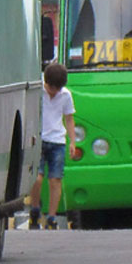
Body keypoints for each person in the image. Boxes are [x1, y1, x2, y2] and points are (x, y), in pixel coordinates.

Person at [27, 62, 77, 230]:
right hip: (39, 138)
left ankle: (52, 217)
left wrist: (72, 141)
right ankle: (35, 209)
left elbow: (69, 118)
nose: (52, 92)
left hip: (57, 141)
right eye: (50, 88)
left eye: (56, 90)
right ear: (45, 82)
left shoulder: (66, 95)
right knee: (37, 178)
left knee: (55, 180)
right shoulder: (37, 89)